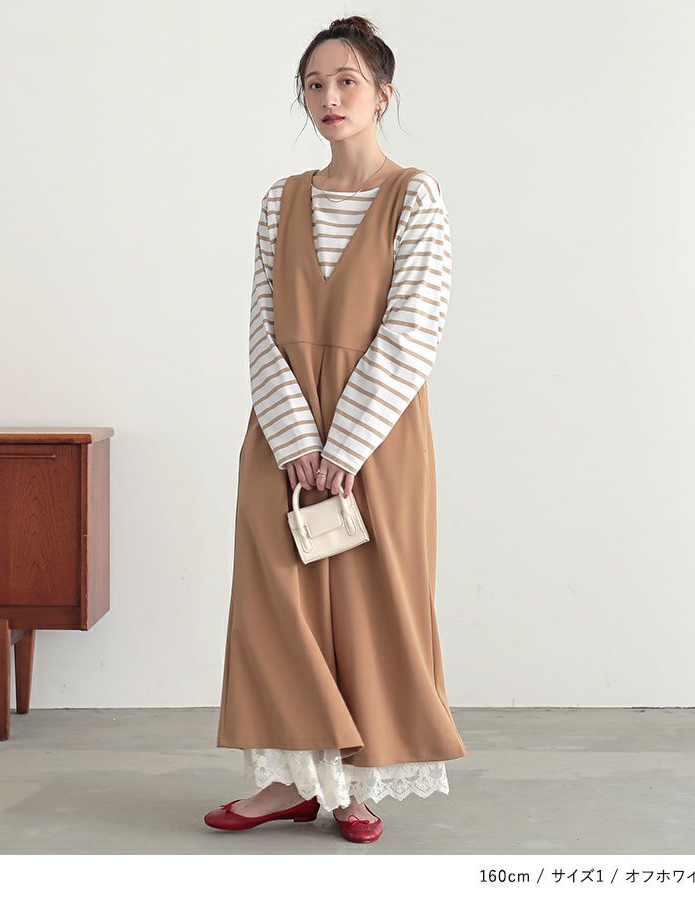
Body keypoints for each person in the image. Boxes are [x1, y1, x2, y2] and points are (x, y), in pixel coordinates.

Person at [206, 15, 466, 844]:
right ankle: (288, 782)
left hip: (378, 441)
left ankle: (358, 787)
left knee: (373, 605)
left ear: (383, 93)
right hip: (283, 439)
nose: (329, 97)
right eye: (314, 84)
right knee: (277, 607)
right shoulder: (280, 200)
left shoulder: (414, 196)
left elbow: (414, 328)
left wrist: (345, 446)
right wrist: (296, 442)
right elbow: (261, 327)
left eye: (347, 80)